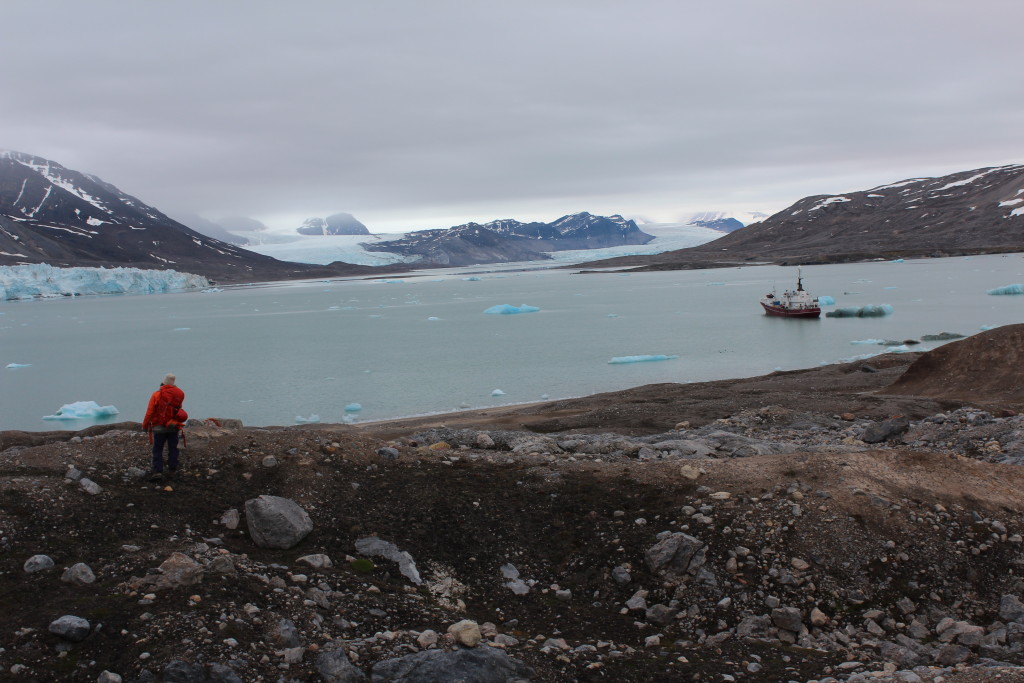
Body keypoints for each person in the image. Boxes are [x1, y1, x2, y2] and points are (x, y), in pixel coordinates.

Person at [142, 373, 186, 482]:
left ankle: (158, 471)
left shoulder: (157, 395)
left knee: (158, 449)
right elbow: (179, 410)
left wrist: (145, 425)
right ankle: (172, 468)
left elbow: (150, 412)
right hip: (173, 425)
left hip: (159, 427)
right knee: (173, 447)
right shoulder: (179, 394)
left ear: (163, 383)